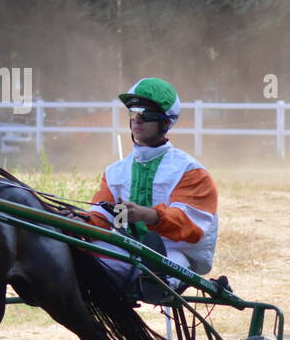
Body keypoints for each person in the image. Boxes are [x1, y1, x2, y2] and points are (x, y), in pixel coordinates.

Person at [80, 77, 219, 300]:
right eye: (133, 113)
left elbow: (192, 228)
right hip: (129, 247)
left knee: (154, 276)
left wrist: (149, 216)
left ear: (165, 122)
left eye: (147, 114)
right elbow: (102, 214)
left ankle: (151, 283)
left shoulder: (190, 171)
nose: (138, 120)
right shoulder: (115, 172)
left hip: (174, 252)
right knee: (80, 258)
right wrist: (80, 221)